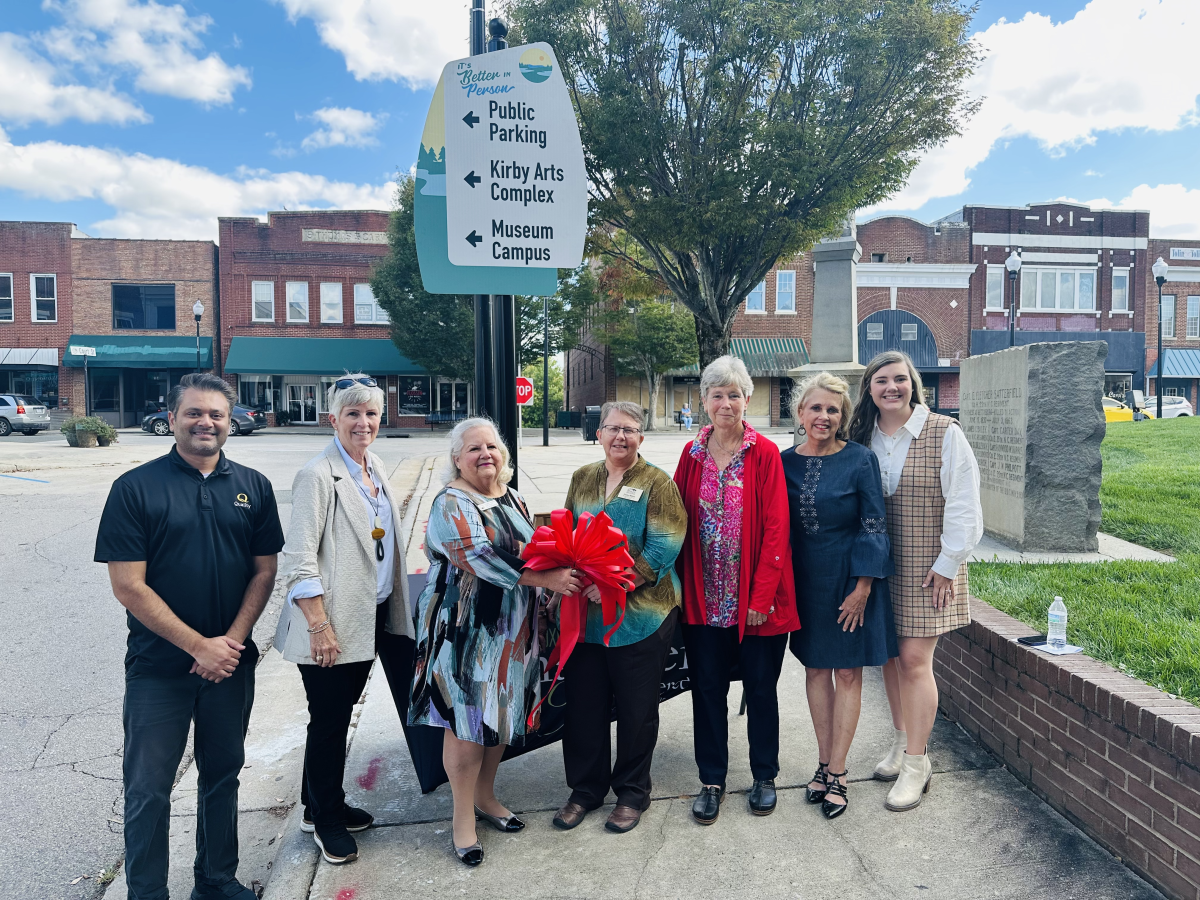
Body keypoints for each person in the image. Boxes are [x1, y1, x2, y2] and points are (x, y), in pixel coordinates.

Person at [95, 373, 284, 900]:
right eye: (194, 413)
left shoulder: (254, 487)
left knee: (222, 775)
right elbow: (128, 586)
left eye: (216, 414)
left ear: (229, 422)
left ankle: (216, 879)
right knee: (148, 789)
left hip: (230, 665)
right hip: (158, 669)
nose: (206, 422)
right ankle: (147, 892)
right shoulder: (135, 489)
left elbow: (264, 572)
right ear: (172, 417)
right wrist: (198, 646)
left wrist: (229, 644)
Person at [408, 418, 582, 866]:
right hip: (466, 631)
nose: (485, 454)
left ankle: (485, 796)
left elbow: (534, 551)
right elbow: (479, 557)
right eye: (473, 448)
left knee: (499, 716)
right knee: (466, 725)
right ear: (457, 459)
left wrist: (546, 595)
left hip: (511, 631)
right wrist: (549, 580)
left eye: (491, 446)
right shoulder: (451, 502)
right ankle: (462, 820)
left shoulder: (512, 497)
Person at [276, 374, 414, 865]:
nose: (363, 422)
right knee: (330, 721)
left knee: (336, 714)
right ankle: (327, 822)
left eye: (371, 413)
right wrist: (319, 626)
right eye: (353, 413)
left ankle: (316, 805)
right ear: (332, 419)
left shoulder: (374, 466)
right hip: (330, 625)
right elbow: (298, 560)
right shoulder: (318, 475)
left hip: (370, 614)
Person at [847, 350, 983, 812]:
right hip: (879, 564)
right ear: (869, 389)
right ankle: (902, 740)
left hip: (929, 565)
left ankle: (917, 763)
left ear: (913, 385)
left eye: (900, 379)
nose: (891, 387)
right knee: (888, 657)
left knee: (912, 660)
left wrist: (949, 562)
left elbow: (964, 501)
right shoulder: (860, 436)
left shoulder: (944, 432)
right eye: (881, 380)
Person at [672, 355, 800, 825]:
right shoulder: (691, 455)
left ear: (748, 398)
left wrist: (761, 598)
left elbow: (776, 528)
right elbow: (674, 521)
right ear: (704, 401)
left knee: (761, 689)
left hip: (755, 602)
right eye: (717, 395)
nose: (725, 403)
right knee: (707, 690)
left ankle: (764, 775)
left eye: (734, 394)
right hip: (704, 599)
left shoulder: (763, 453)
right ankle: (712, 780)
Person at [554, 401, 687, 834]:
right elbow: (568, 534)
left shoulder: (657, 483)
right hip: (588, 616)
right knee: (584, 706)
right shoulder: (582, 477)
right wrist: (562, 580)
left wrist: (617, 584)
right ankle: (585, 790)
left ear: (641, 438)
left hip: (641, 615)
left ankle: (632, 792)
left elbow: (665, 545)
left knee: (635, 710)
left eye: (629, 430)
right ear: (599, 434)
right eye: (612, 428)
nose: (620, 437)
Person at [783, 372, 897, 820]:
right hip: (805, 582)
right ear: (800, 413)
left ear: (843, 416)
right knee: (816, 671)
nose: (824, 416)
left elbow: (874, 523)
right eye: (816, 407)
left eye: (833, 409)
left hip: (851, 581)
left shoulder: (860, 460)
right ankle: (822, 760)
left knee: (847, 673)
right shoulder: (783, 462)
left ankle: (838, 772)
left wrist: (863, 586)